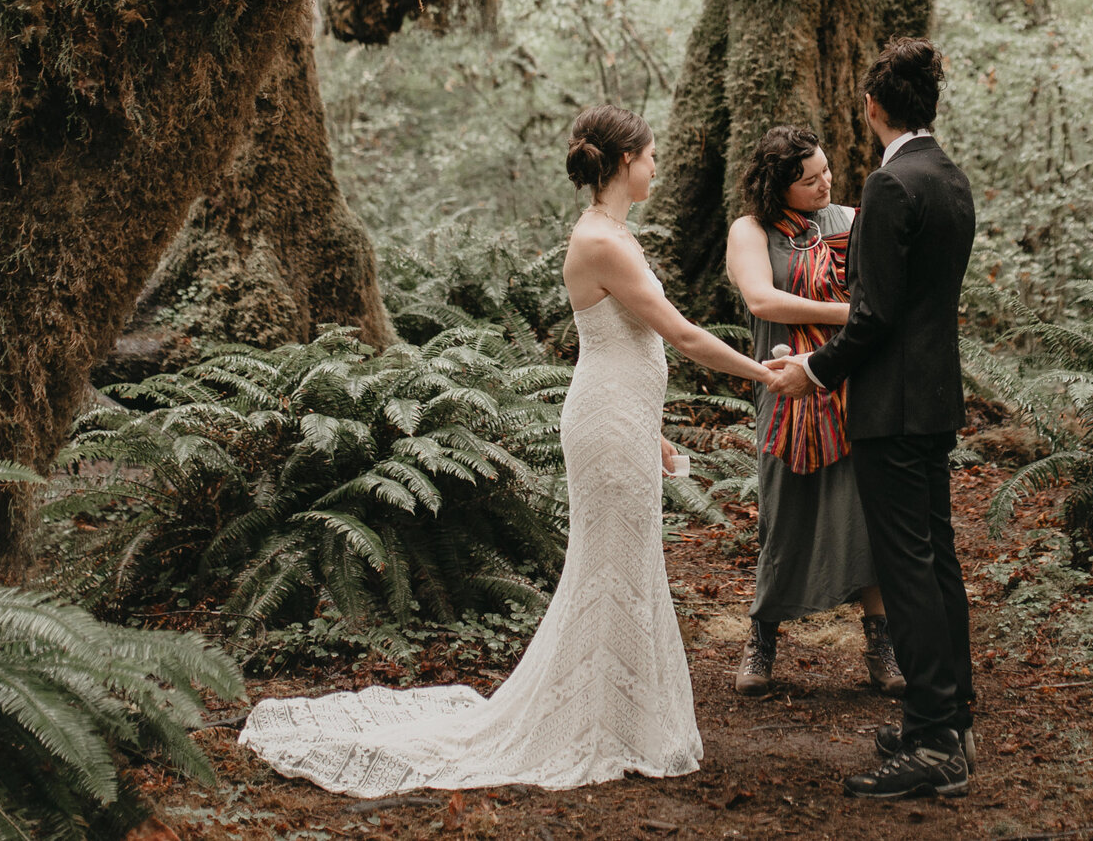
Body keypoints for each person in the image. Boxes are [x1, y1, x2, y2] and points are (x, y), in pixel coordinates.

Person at [240, 104, 776, 796]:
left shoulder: (616, 232)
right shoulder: (602, 240)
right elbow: (680, 334)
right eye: (649, 155)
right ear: (622, 162)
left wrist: (653, 427)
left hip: (624, 415)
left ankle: (620, 720)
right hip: (605, 420)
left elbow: (634, 347)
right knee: (608, 567)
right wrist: (767, 374)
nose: (656, 165)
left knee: (627, 564)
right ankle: (595, 723)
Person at [765, 39, 978, 800]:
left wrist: (813, 371)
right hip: (936, 399)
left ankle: (931, 745)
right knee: (938, 554)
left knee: (906, 565)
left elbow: (875, 314)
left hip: (889, 404)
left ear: (874, 107)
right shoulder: (950, 177)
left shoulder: (890, 184)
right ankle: (952, 713)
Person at [723, 124, 901, 695]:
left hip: (851, 389)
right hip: (785, 390)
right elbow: (761, 299)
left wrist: (863, 317)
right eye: (809, 179)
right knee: (785, 513)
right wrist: (854, 315)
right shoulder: (750, 231)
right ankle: (762, 642)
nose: (825, 182)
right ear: (779, 187)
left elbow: (888, 291)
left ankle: (882, 648)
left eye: (826, 170)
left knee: (863, 517)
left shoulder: (851, 221)